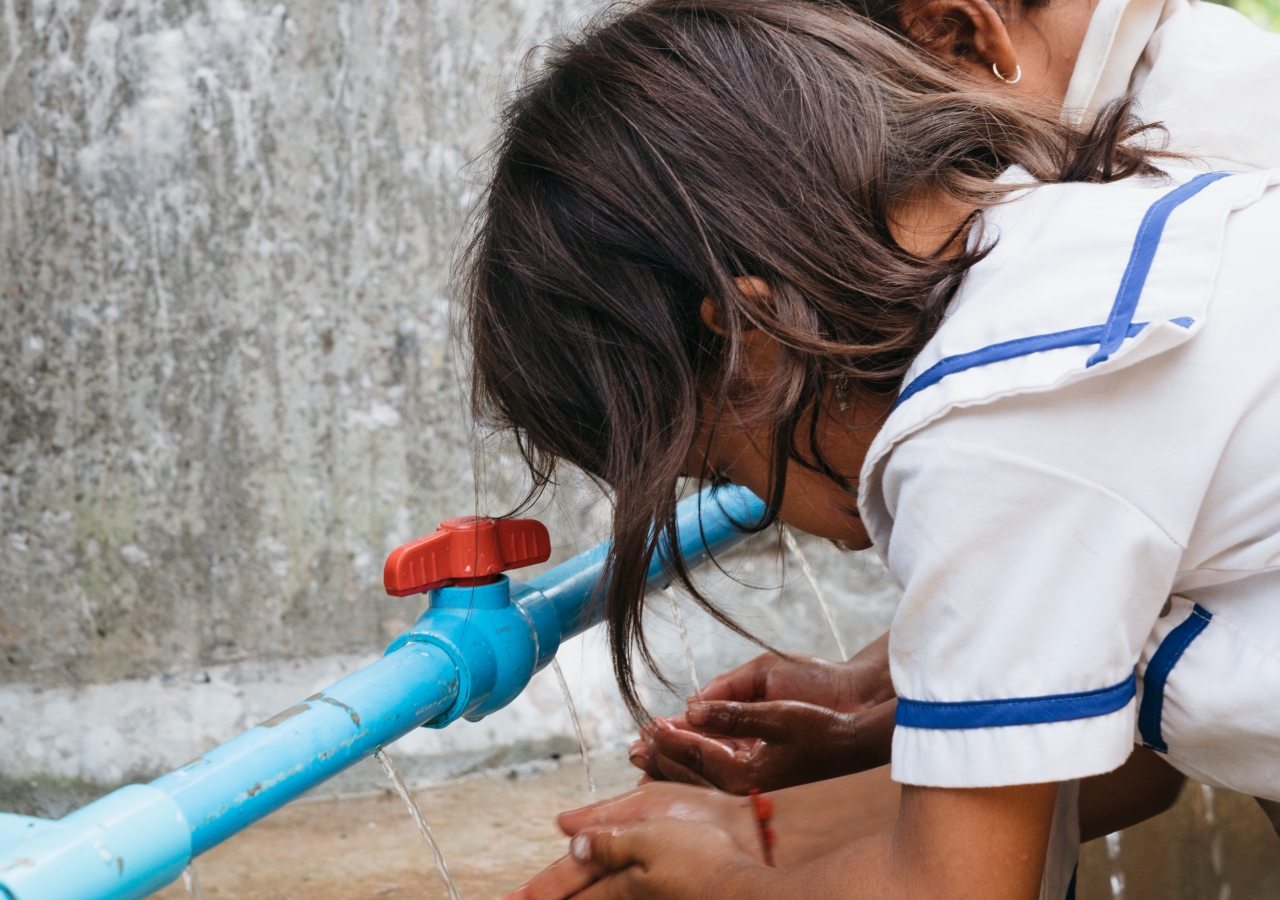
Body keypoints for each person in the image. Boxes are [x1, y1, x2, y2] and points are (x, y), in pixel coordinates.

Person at [460, 1, 1280, 897]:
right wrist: (888, 709)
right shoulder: (1089, 240)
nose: (771, 512)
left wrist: (721, 881)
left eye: (726, 467)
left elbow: (951, 892)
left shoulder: (984, 422)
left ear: (749, 338)